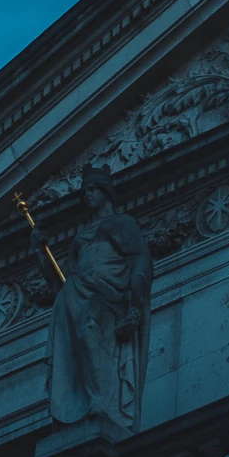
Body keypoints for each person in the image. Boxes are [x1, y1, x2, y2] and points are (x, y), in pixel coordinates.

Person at [24, 176, 154, 434]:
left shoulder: (122, 223)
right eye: (85, 191)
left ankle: (101, 399)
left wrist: (135, 303)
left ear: (106, 192)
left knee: (89, 329)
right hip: (75, 291)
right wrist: (40, 251)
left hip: (108, 292)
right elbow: (60, 280)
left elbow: (141, 259)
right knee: (76, 345)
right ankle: (87, 402)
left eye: (93, 189)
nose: (88, 195)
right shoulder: (81, 236)